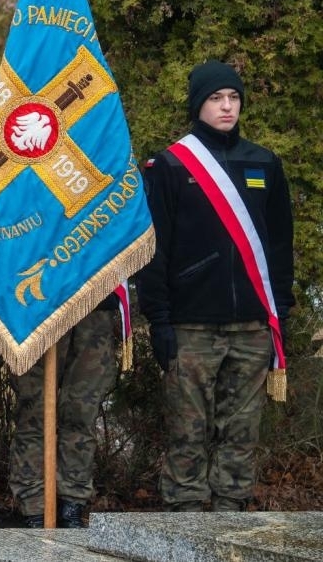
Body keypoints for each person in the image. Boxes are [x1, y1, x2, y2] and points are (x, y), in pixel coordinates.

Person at [138, 60, 294, 512]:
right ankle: (185, 519)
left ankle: (231, 516)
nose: (227, 107)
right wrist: (159, 320)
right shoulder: (169, 165)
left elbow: (280, 246)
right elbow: (154, 249)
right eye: (215, 98)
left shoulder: (264, 163)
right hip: (191, 326)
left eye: (233, 98)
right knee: (187, 433)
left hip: (252, 326)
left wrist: (280, 312)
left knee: (241, 434)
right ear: (198, 105)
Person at [7, 303, 121, 527]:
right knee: (33, 412)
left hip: (95, 308)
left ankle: (73, 502)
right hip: (40, 306)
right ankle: (33, 507)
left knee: (82, 413)